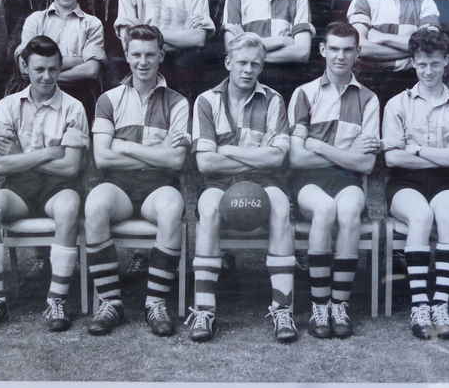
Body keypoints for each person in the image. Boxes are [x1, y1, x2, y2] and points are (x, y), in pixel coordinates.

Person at [0, 36, 89, 333]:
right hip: (19, 188)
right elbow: (1, 165)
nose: (46, 77)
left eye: (52, 69)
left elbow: (71, 166)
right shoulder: (9, 106)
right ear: (25, 67)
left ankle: (57, 299)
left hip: (58, 187)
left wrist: (21, 156)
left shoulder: (73, 108)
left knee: (69, 205)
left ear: (60, 68)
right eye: (39, 69)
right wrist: (51, 151)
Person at [186, 33, 297, 343]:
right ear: (228, 62)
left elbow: (276, 159)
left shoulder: (274, 99)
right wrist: (254, 158)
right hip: (217, 183)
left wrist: (227, 151)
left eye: (255, 64)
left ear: (262, 67)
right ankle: (204, 309)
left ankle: (282, 307)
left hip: (266, 182)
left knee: (281, 207)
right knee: (207, 210)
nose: (248, 70)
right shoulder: (206, 101)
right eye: (242, 63)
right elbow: (206, 164)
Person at [84, 25, 189, 338]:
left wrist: (125, 145)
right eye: (136, 54)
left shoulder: (178, 102)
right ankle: (110, 302)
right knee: (95, 203)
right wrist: (154, 152)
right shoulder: (108, 99)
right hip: (118, 188)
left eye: (150, 55)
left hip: (159, 188)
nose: (143, 62)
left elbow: (175, 161)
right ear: (127, 57)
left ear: (161, 56)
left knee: (172, 206)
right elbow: (103, 158)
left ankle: (155, 302)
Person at [288, 21, 380, 339]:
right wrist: (346, 151)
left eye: (348, 50)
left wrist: (317, 144)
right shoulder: (304, 94)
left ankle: (339, 305)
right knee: (325, 209)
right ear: (323, 50)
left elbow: (366, 164)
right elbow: (296, 158)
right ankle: (319, 306)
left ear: (357, 53)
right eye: (334, 49)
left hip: (349, 180)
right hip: (308, 182)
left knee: (350, 210)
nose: (340, 56)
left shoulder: (368, 99)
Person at [382, 26, 449, 340]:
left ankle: (440, 305)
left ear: (446, 61)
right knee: (420, 215)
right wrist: (440, 155)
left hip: (446, 182)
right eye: (421, 64)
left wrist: (418, 149)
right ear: (413, 63)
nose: (428, 70)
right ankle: (419, 305)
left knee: (448, 214)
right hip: (404, 183)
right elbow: (393, 159)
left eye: (435, 63)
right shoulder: (398, 103)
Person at [15, 0, 106, 124]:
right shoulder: (35, 21)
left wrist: (42, 72)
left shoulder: (91, 23)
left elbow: (91, 70)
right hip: (37, 103)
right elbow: (24, 68)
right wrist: (78, 59)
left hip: (78, 100)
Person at [346, 0, 440, 108]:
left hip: (412, 82)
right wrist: (413, 48)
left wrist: (381, 37)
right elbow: (361, 47)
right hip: (370, 82)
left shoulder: (424, 0)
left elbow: (430, 47)